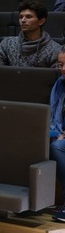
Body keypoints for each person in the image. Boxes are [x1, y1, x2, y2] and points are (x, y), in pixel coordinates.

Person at [0, 0, 63, 67]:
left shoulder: (54, 49)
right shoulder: (7, 43)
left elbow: (56, 77)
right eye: (21, 17)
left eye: (28, 17)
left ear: (41, 21)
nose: (23, 20)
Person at [48, 50, 65, 223]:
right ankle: (35, 201)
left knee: (58, 147)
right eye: (60, 65)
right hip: (60, 131)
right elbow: (53, 114)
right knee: (32, 139)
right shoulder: (60, 83)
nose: (63, 69)